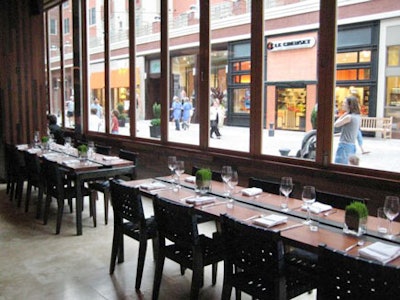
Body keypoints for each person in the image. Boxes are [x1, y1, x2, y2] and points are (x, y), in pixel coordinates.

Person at [334, 96, 361, 164]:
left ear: (350, 105)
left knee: (339, 166)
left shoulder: (349, 117)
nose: (342, 104)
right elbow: (350, 132)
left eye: (344, 102)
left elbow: (336, 124)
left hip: (344, 146)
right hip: (352, 146)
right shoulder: (357, 116)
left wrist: (344, 114)